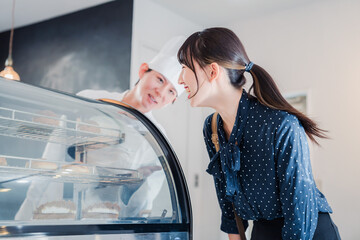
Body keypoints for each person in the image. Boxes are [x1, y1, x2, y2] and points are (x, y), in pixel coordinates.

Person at [177, 28, 341, 240]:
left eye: (184, 68)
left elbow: (299, 215)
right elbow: (228, 205)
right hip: (262, 230)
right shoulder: (212, 127)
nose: (180, 80)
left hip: (308, 232)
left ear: (213, 71)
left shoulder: (281, 125)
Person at [15, 36, 185, 221]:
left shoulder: (156, 137)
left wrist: (136, 184)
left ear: (172, 101)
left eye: (171, 92)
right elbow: (51, 157)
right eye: (160, 79)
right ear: (143, 70)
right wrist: (23, 217)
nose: (161, 93)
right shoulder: (91, 99)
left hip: (105, 221)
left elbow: (143, 204)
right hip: (57, 209)